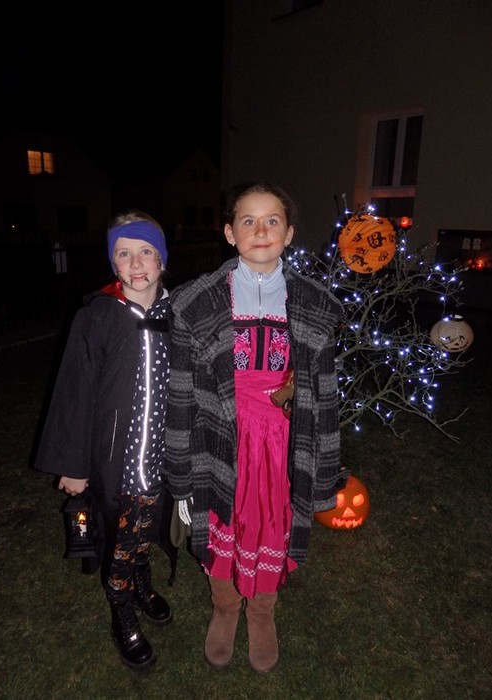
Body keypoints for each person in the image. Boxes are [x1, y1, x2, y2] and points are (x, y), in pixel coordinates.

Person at [163, 181, 348, 675]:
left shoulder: (314, 305)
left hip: (284, 441)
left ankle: (262, 612)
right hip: (220, 438)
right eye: (248, 220)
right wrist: (180, 472)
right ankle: (225, 607)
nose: (260, 230)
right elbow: (180, 395)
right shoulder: (196, 304)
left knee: (272, 522)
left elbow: (324, 397)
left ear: (289, 234)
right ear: (230, 233)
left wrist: (323, 470)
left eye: (272, 221)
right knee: (222, 522)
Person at [34, 210, 174, 672]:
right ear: (114, 262)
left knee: (145, 528)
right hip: (114, 460)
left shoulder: (174, 314)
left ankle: (141, 583)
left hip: (159, 457)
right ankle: (122, 610)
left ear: (161, 259)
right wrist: (73, 466)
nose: (136, 264)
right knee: (118, 539)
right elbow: (73, 393)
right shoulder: (97, 317)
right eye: (124, 254)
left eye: (146, 252)